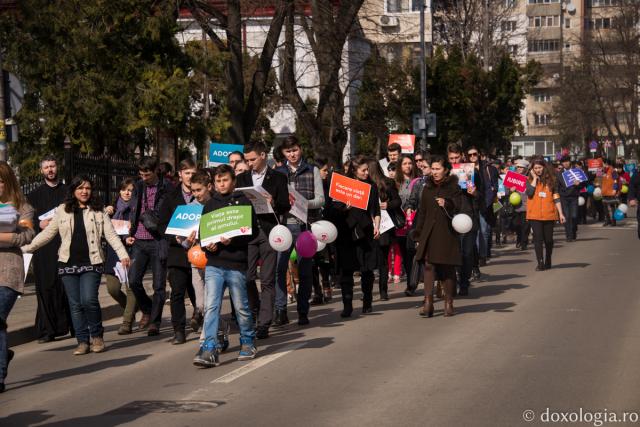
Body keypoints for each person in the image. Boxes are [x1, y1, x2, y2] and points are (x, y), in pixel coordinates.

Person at [22, 175, 130, 355]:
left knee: (89, 300)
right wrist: (25, 248)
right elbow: (47, 234)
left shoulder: (98, 210)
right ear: (73, 190)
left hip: (92, 262)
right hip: (67, 264)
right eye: (80, 188)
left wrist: (123, 255)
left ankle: (96, 336)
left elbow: (111, 235)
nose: (84, 191)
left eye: (87, 188)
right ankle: (82, 341)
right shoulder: (62, 210)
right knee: (75, 304)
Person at [193, 165, 258, 368]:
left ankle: (247, 342)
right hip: (214, 264)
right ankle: (210, 349)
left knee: (241, 307)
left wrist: (233, 242)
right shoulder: (210, 204)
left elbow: (251, 233)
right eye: (219, 181)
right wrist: (208, 245)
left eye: (226, 180)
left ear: (233, 181)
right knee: (212, 306)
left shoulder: (244, 202)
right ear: (214, 183)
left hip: (236, 263)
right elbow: (204, 235)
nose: (222, 184)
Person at [237, 141, 290, 339]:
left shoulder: (278, 177)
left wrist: (273, 202)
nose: (249, 163)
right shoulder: (241, 178)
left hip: (269, 232)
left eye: (252, 159)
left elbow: (285, 206)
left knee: (267, 279)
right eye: (247, 160)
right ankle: (256, 309)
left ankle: (264, 323)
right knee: (248, 277)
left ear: (262, 155)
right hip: (247, 231)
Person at [275, 136, 325, 326]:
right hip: (283, 226)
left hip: (306, 226)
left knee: (305, 271)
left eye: (294, 150)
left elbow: (321, 199)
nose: (292, 154)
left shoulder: (312, 170)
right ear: (283, 154)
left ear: (300, 149)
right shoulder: (278, 172)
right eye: (288, 152)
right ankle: (280, 310)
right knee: (280, 269)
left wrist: (303, 202)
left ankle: (303, 310)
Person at [414, 156, 471, 317]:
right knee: (428, 266)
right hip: (429, 234)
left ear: (446, 170)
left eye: (438, 169)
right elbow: (422, 214)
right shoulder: (427, 188)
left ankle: (448, 303)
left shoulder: (454, 187)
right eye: (432, 169)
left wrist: (447, 203)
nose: (435, 172)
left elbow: (460, 207)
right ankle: (428, 303)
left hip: (446, 234)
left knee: (447, 269)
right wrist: (418, 235)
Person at [26, 155, 71, 343]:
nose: (50, 170)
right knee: (45, 287)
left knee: (67, 285)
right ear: (41, 171)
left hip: (65, 243)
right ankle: (47, 330)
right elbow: (26, 221)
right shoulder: (34, 196)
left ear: (57, 167)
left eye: (52, 166)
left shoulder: (68, 191)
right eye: (46, 167)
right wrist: (39, 223)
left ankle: (74, 326)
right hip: (44, 247)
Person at [328, 155, 380, 316]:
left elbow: (375, 210)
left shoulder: (371, 186)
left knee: (366, 270)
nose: (366, 173)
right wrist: (344, 208)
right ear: (354, 170)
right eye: (363, 170)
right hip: (346, 233)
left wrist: (377, 225)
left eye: (367, 170)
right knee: (346, 270)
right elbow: (332, 209)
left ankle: (367, 301)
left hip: (365, 232)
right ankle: (347, 304)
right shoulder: (342, 185)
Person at [127, 157, 173, 336]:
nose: (144, 177)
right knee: (133, 280)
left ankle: (155, 321)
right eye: (141, 174)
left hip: (158, 240)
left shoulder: (166, 187)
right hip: (139, 239)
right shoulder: (138, 186)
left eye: (147, 174)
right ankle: (147, 308)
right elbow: (133, 209)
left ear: (155, 171)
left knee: (159, 285)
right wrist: (129, 233)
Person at [0, 162, 35, 393]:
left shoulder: (23, 207)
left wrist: (3, 238)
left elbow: (28, 235)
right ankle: (4, 353)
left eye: (1, 180)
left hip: (8, 272)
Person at [158, 159, 198, 345]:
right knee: (177, 293)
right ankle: (179, 330)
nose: (190, 176)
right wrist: (174, 236)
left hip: (200, 252)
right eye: (186, 173)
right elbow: (162, 224)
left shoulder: (203, 195)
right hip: (177, 253)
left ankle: (201, 316)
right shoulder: (170, 196)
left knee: (200, 292)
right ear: (180, 175)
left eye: (192, 173)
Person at [104, 178, 138, 335]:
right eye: (124, 189)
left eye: (130, 190)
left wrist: (132, 235)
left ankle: (127, 321)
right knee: (113, 288)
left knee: (131, 287)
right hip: (113, 252)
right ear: (119, 191)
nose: (127, 192)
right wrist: (105, 213)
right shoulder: (111, 209)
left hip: (131, 250)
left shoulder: (136, 207)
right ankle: (132, 308)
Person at [447, 143, 478, 296]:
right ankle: (457, 279)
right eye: (451, 158)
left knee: (466, 253)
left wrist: (473, 192)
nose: (454, 160)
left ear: (462, 156)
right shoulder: (445, 173)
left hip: (468, 217)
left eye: (457, 157)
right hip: (451, 217)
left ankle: (464, 282)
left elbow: (481, 196)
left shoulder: (471, 171)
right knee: (455, 253)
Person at [367, 159, 401, 301]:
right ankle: (377, 291)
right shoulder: (363, 185)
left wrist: (387, 205)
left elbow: (397, 201)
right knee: (377, 261)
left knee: (381, 260)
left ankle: (382, 292)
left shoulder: (388, 183)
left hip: (384, 226)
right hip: (368, 225)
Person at [526, 158, 566, 271]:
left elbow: (556, 197)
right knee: (537, 239)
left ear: (544, 167)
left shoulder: (552, 180)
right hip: (534, 215)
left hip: (549, 214)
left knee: (548, 240)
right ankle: (540, 262)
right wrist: (534, 178)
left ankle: (548, 258)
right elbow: (529, 193)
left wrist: (561, 213)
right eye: (535, 168)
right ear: (532, 170)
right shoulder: (529, 180)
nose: (538, 170)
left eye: (540, 167)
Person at [467, 146, 499, 266]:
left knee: (484, 230)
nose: (472, 157)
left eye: (474, 154)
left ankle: (482, 256)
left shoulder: (488, 168)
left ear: (479, 154)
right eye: (469, 155)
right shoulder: (464, 169)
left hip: (485, 202)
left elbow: (496, 185)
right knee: (475, 231)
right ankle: (476, 255)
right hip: (471, 204)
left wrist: (493, 191)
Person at [557, 156, 581, 241]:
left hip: (574, 196)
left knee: (574, 216)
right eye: (563, 162)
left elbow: (584, 182)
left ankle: (574, 231)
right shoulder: (559, 173)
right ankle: (568, 235)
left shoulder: (576, 171)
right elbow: (558, 187)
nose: (565, 163)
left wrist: (579, 184)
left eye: (567, 161)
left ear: (570, 162)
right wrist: (557, 196)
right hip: (564, 197)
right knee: (566, 216)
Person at [600, 158, 620, 227]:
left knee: (612, 207)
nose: (602, 164)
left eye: (603, 163)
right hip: (604, 192)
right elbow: (601, 180)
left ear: (606, 163)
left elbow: (615, 180)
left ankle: (613, 221)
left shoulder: (612, 170)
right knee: (605, 207)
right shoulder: (603, 171)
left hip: (611, 191)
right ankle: (607, 220)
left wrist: (615, 189)